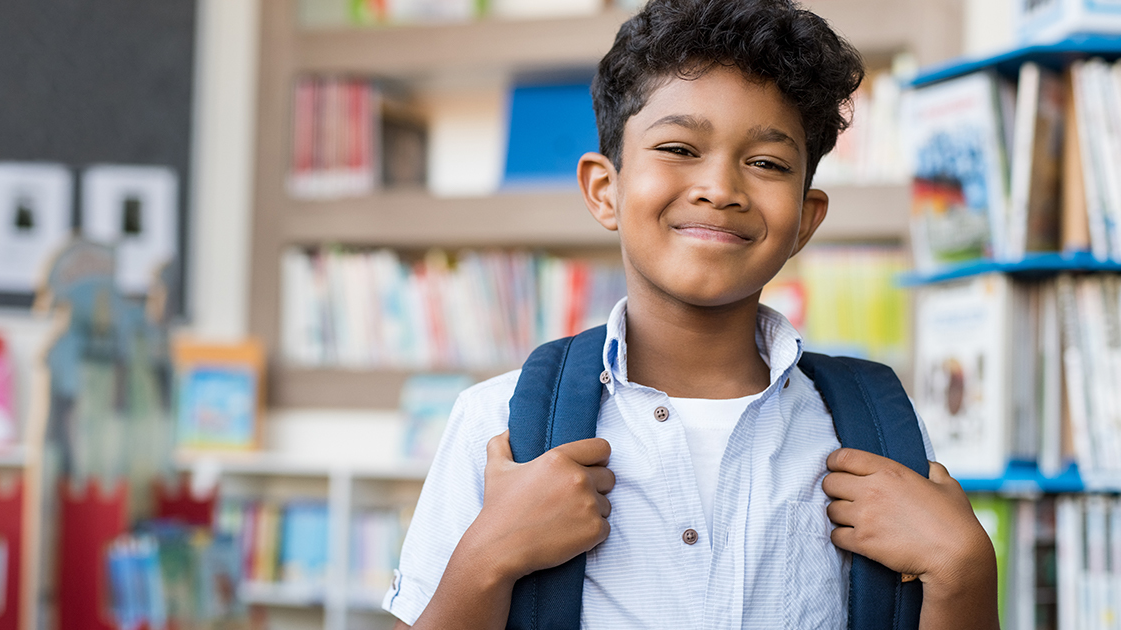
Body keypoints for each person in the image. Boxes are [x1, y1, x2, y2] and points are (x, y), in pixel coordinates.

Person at [383, 0, 999, 627]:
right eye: (679, 147)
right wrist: (488, 556)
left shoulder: (872, 432)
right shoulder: (499, 428)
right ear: (606, 190)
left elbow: (944, 576)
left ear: (806, 220)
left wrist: (965, 566)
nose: (721, 188)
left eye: (766, 163)